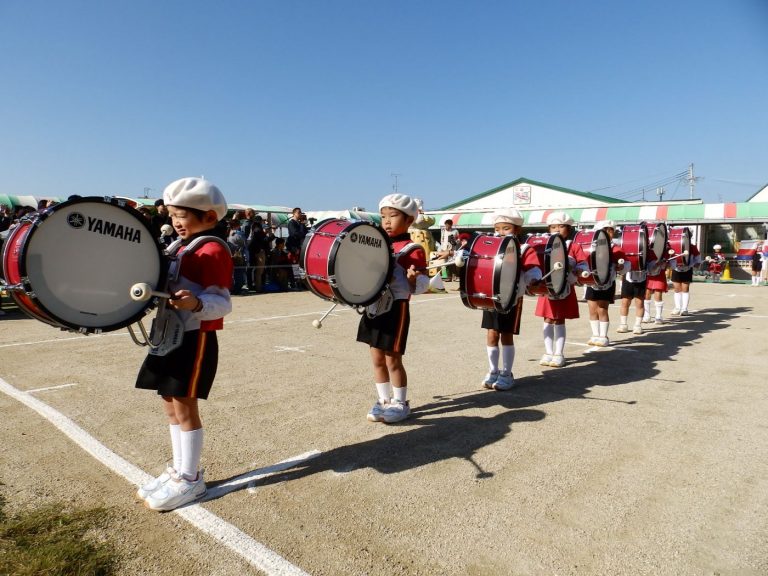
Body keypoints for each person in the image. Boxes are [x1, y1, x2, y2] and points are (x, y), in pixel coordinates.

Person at [135, 177, 233, 512]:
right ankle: (178, 470)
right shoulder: (179, 247)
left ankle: (191, 479)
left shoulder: (212, 250)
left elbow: (222, 303)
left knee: (185, 405)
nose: (176, 222)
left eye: (183, 215)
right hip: (168, 334)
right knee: (169, 401)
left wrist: (196, 303)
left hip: (194, 337)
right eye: (173, 215)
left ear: (209, 217)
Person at [358, 193, 429, 424]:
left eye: (393, 216)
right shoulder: (377, 244)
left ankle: (400, 402)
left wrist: (412, 279)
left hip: (395, 308)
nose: (387, 221)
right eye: (383, 216)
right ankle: (383, 400)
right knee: (377, 358)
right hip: (373, 307)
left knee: (392, 359)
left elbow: (421, 286)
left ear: (409, 220)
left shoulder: (412, 248)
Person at [481, 209, 541, 390]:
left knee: (506, 334)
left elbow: (533, 268)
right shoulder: (492, 248)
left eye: (506, 228)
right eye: (497, 228)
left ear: (517, 230)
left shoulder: (524, 249)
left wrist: (533, 278)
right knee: (492, 333)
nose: (500, 232)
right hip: (492, 297)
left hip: (512, 298)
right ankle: (493, 370)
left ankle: (507, 373)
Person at [534, 212, 588, 368]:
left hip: (564, 288)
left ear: (568, 229)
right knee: (547, 319)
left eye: (561, 226)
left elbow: (583, 263)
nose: (557, 229)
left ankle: (558, 353)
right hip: (547, 288)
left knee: (559, 319)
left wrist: (579, 269)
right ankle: (548, 352)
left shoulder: (573, 246)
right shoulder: (544, 245)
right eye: (553, 227)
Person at [585, 220, 625, 346]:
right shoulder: (591, 246)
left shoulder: (616, 248)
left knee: (602, 309)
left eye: (611, 230)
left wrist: (620, 266)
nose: (608, 232)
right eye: (605, 230)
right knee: (592, 309)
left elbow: (625, 263)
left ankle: (603, 336)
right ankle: (595, 335)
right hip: (593, 282)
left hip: (607, 281)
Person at [617, 232, 658, 335]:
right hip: (628, 277)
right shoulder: (625, 247)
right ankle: (623, 324)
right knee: (625, 302)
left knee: (639, 303)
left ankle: (637, 325)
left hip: (641, 278)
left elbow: (651, 269)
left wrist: (657, 265)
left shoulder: (649, 251)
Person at [670, 242, 701, 315]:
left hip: (687, 269)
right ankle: (677, 308)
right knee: (677, 289)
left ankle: (684, 309)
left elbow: (697, 257)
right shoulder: (673, 245)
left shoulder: (692, 247)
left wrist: (697, 263)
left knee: (685, 289)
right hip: (676, 268)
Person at [227, 217, 248, 295]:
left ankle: (234, 288)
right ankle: (237, 289)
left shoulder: (228, 233)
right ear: (237, 225)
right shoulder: (239, 234)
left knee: (233, 273)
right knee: (239, 273)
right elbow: (244, 244)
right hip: (239, 255)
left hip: (231, 254)